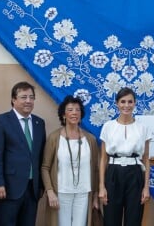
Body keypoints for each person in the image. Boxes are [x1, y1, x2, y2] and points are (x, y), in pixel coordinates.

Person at [0, 81, 46, 226]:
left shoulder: (39, 123)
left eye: (31, 97)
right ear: (13, 99)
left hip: (32, 190)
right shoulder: (0, 121)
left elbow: (39, 156)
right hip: (7, 189)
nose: (28, 101)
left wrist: (41, 186)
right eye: (23, 97)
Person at [41, 95, 99, 226]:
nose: (74, 113)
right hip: (61, 192)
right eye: (70, 109)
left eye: (77, 110)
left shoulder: (90, 139)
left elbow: (95, 169)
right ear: (63, 114)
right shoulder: (54, 138)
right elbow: (45, 167)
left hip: (84, 193)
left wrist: (95, 196)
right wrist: (50, 191)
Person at [99, 87, 151, 226]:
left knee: (134, 219)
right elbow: (103, 158)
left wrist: (146, 187)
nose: (126, 105)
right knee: (111, 219)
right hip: (113, 174)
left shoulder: (143, 128)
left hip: (135, 174)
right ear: (117, 103)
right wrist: (101, 186)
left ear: (135, 103)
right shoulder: (108, 127)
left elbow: (146, 159)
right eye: (123, 101)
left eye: (130, 102)